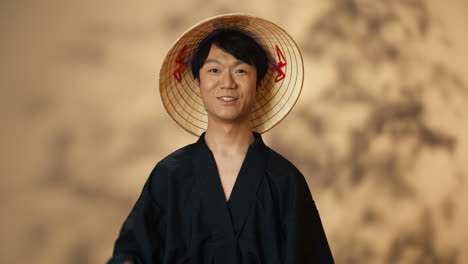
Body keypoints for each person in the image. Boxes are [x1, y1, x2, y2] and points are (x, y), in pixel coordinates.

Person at [107, 14, 334, 264]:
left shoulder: (285, 180)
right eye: (214, 70)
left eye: (241, 70)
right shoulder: (169, 175)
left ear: (259, 86)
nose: (227, 83)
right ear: (197, 83)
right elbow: (131, 253)